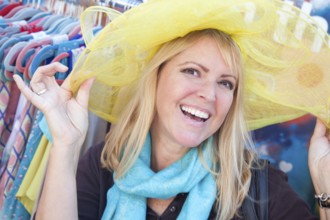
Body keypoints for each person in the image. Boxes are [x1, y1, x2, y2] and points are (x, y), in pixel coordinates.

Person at [12, 0, 330, 219]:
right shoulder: (103, 166)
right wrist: (66, 146)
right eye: (192, 71)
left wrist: (326, 187)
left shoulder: (255, 184)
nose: (208, 94)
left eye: (226, 83)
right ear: (156, 76)